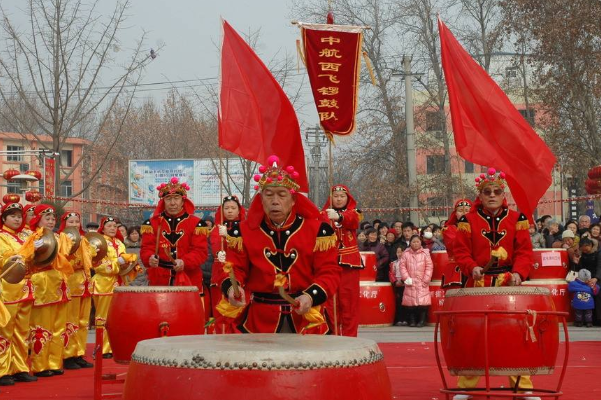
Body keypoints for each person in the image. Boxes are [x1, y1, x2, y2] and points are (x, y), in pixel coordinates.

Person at [217, 155, 340, 334]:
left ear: (293, 200)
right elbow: (233, 268)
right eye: (269, 195)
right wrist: (231, 288)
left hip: (305, 319)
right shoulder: (243, 232)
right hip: (259, 321)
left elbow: (329, 272)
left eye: (282, 195)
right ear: (261, 199)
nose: (275, 201)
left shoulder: (318, 231)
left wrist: (311, 296)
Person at [453, 168, 539, 400]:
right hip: (478, 285)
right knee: (475, 335)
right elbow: (460, 253)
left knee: (514, 335)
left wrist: (519, 273)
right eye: (487, 191)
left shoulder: (517, 219)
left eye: (497, 191)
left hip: (509, 284)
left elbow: (524, 252)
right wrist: (472, 268)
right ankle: (467, 386)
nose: (492, 195)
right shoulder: (467, 221)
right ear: (480, 196)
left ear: (504, 195)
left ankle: (523, 387)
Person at [140, 177, 209, 291]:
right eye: (168, 199)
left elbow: (200, 252)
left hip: (189, 278)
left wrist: (185, 262)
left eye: (176, 198)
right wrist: (149, 258)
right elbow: (146, 248)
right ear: (163, 201)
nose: (172, 203)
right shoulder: (152, 223)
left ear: (183, 201)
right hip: (159, 280)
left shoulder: (197, 224)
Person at [29, 205, 73, 377]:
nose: (50, 221)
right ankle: (40, 365)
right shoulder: (32, 237)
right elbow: (27, 259)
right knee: (41, 327)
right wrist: (33, 248)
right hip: (43, 284)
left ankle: (55, 362)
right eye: (46, 218)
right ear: (38, 219)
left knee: (58, 327)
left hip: (60, 285)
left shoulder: (58, 236)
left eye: (53, 218)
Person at [0, 198, 38, 385]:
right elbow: (4, 260)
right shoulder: (1, 237)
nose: (16, 220)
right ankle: (2, 370)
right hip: (8, 289)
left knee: (22, 332)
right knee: (5, 331)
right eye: (12, 216)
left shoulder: (25, 236)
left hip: (26, 289)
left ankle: (20, 367)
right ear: (4, 218)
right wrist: (25, 252)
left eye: (18, 216)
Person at [322, 184, 363, 337]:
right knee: (330, 304)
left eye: (342, 196)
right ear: (331, 198)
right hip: (329, 264)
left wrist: (339, 217)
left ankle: (350, 338)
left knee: (349, 304)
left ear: (348, 198)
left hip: (349, 265)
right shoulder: (322, 214)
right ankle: (333, 335)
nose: (338, 199)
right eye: (336, 196)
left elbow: (353, 221)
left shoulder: (354, 213)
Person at [57, 211, 94, 369]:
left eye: (76, 222)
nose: (74, 224)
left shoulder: (84, 239)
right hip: (71, 283)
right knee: (70, 320)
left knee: (83, 321)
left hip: (85, 283)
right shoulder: (61, 239)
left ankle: (79, 352)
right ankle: (68, 354)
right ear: (65, 224)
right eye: (71, 222)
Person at [209, 195, 245, 332]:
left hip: (239, 273)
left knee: (238, 310)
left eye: (233, 208)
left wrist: (228, 237)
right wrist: (218, 253)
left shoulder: (245, 228)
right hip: (220, 273)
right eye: (227, 208)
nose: (230, 211)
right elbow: (215, 243)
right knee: (220, 312)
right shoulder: (217, 228)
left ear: (239, 210)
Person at [398, 235, 433, 327]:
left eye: (417, 241)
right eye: (413, 242)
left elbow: (429, 267)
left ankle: (422, 320)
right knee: (410, 304)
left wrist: (426, 279)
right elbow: (402, 267)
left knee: (423, 303)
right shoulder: (406, 254)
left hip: (422, 282)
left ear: (420, 242)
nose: (416, 243)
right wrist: (406, 278)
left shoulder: (425, 253)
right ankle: (412, 320)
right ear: (410, 243)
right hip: (410, 281)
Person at [442, 199, 472, 288]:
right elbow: (455, 245)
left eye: (467, 210)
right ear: (455, 213)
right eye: (460, 210)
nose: (464, 213)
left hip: (473, 268)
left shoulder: (477, 228)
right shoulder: (448, 229)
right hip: (455, 268)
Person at [389, 247, 408, 326]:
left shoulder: (408, 263)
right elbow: (391, 273)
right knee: (398, 303)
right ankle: (399, 319)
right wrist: (395, 282)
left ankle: (406, 319)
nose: (400, 254)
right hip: (397, 285)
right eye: (398, 252)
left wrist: (404, 280)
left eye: (401, 252)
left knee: (406, 303)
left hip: (406, 284)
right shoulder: (394, 263)